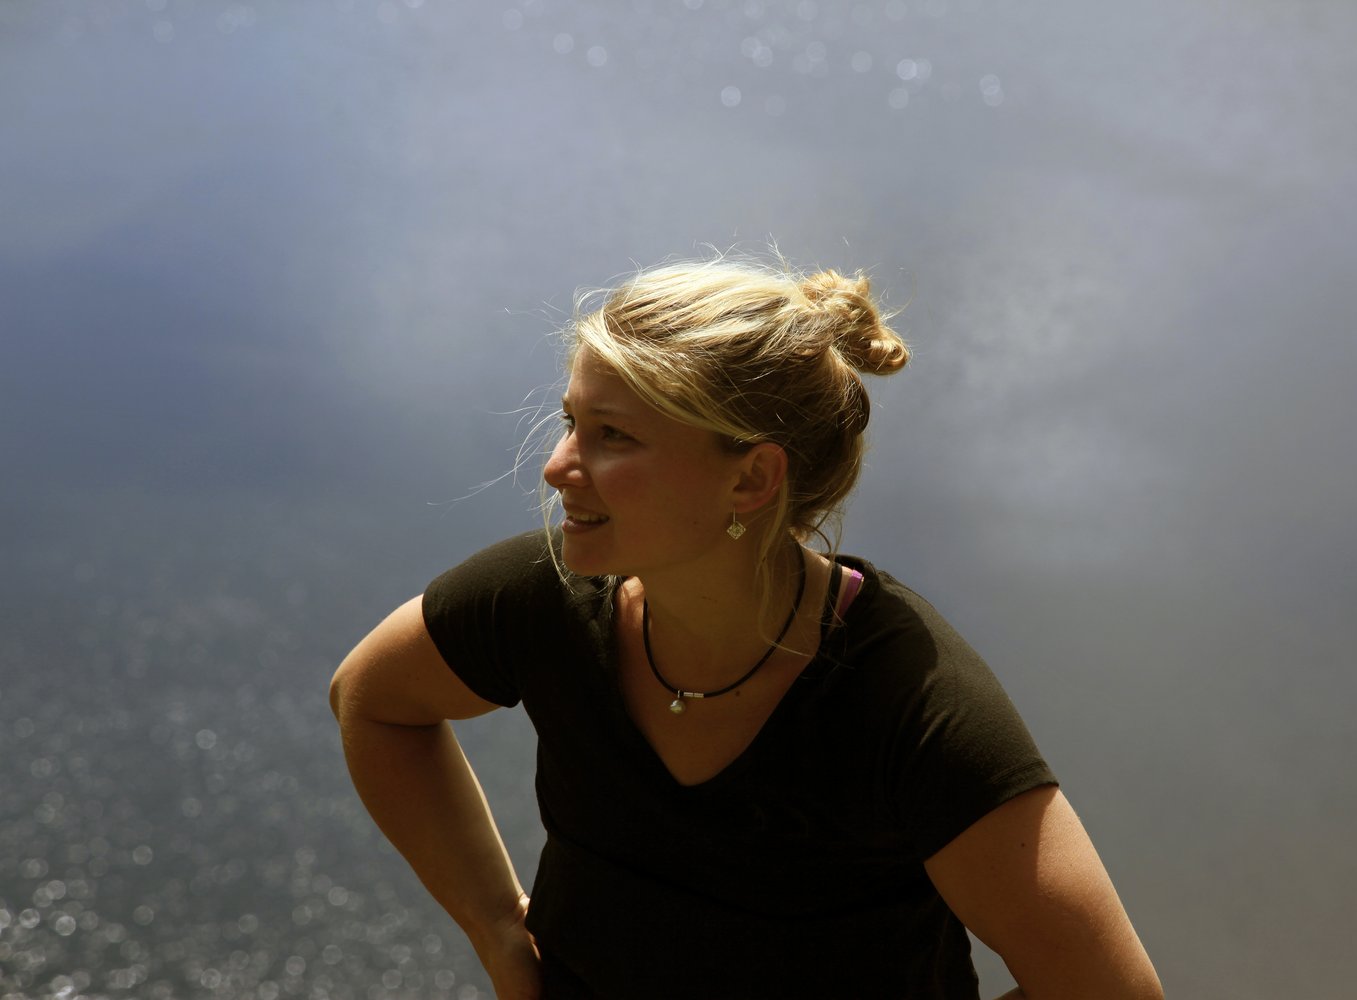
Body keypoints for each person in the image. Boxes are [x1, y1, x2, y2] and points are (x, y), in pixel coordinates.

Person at [330, 255, 1163, 999]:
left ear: (752, 479)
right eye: (571, 419)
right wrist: (497, 931)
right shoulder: (544, 598)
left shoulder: (908, 703)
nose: (557, 465)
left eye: (613, 435)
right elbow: (372, 697)